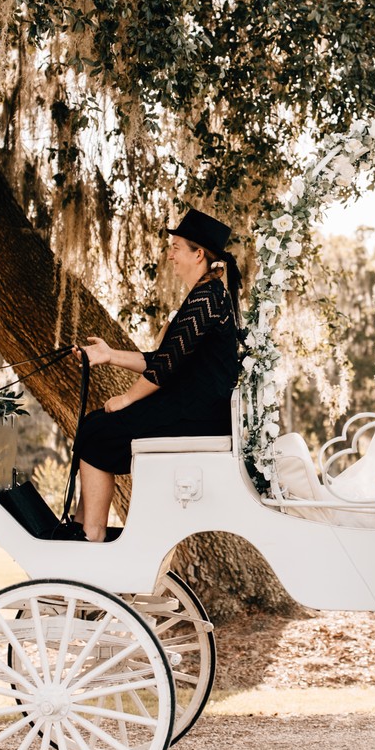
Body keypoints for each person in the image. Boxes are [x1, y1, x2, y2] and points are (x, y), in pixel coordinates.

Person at [73, 209, 243, 541]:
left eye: (176, 247)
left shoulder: (207, 298)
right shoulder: (205, 295)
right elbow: (166, 358)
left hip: (198, 415)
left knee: (96, 434)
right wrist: (109, 356)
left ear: (198, 254)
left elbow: (164, 368)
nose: (170, 255)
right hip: (192, 408)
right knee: (94, 427)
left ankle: (91, 534)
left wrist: (126, 399)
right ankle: (82, 524)